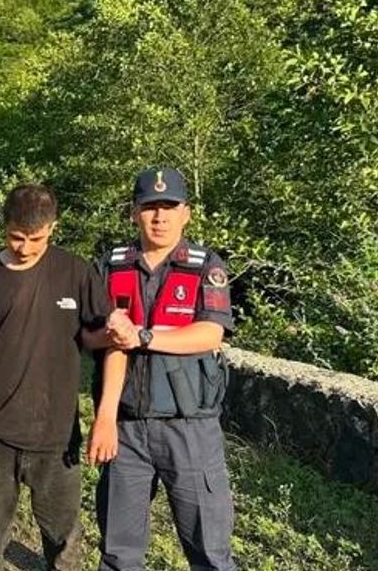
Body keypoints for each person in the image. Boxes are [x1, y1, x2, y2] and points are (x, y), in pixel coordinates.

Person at [0, 185, 109, 571]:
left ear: (52, 228)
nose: (25, 248)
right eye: (16, 237)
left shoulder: (76, 272)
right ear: (4, 227)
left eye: (36, 238)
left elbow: (99, 339)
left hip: (56, 436)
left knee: (64, 546)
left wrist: (117, 332)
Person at [85, 167, 237, 571]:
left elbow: (211, 333)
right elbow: (87, 336)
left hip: (189, 427)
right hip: (126, 427)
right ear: (134, 212)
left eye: (169, 206)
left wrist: (143, 336)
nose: (159, 216)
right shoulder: (112, 265)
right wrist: (105, 416)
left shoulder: (206, 266)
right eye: (150, 207)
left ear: (186, 213)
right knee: (118, 552)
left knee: (210, 552)